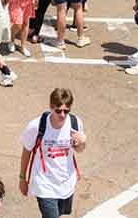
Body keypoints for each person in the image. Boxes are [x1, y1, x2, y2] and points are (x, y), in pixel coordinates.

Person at [19, 88, 87, 218]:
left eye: (66, 111)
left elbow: (79, 150)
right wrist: (23, 178)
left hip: (66, 182)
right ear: (51, 107)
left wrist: (81, 143)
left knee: (61, 213)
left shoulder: (75, 123)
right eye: (58, 110)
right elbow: (26, 151)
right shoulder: (36, 126)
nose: (62, 115)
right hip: (44, 184)